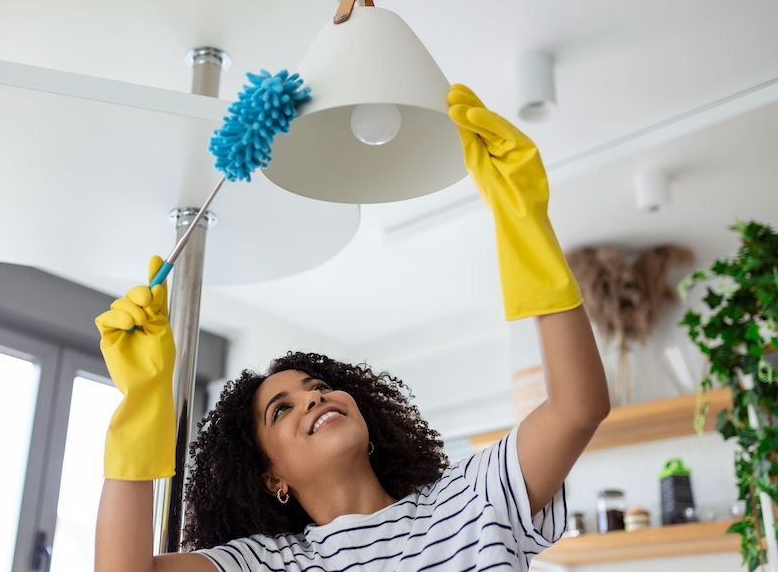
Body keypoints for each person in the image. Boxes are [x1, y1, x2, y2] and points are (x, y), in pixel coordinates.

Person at [94, 85, 609, 572]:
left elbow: (577, 407)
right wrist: (142, 402)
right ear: (272, 477)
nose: (314, 400)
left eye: (316, 387)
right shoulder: (269, 563)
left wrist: (527, 229)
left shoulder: (473, 499)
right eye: (282, 410)